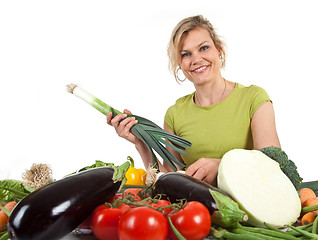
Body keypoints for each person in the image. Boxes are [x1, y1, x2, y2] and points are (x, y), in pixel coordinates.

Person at [106, 15, 281, 186]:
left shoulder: (253, 98)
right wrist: (141, 143)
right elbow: (168, 180)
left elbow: (273, 163)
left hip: (251, 209)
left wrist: (222, 165)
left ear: (218, 50)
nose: (196, 59)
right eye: (186, 54)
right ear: (179, 64)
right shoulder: (175, 114)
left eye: (204, 48)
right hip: (197, 211)